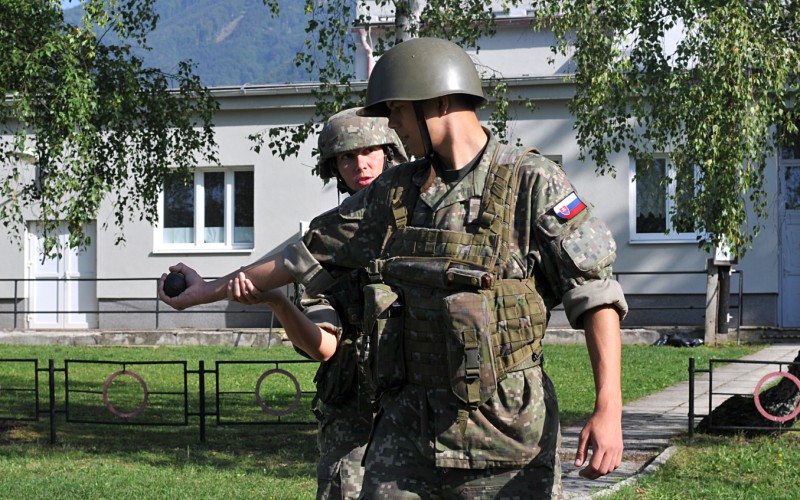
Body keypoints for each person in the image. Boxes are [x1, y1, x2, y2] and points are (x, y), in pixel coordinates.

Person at [162, 37, 627, 499]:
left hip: (505, 436)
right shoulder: (396, 191)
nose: (393, 127)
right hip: (407, 434)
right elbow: (308, 251)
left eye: (399, 112)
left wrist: (609, 407)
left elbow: (595, 293)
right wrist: (209, 290)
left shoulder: (532, 180)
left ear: (438, 101)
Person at [232, 108, 406, 500]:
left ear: (390, 153)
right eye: (346, 156)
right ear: (334, 167)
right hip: (353, 422)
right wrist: (279, 304)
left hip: (421, 417)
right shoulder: (327, 241)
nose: (359, 164)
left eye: (369, 151)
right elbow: (324, 346)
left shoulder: (422, 225)